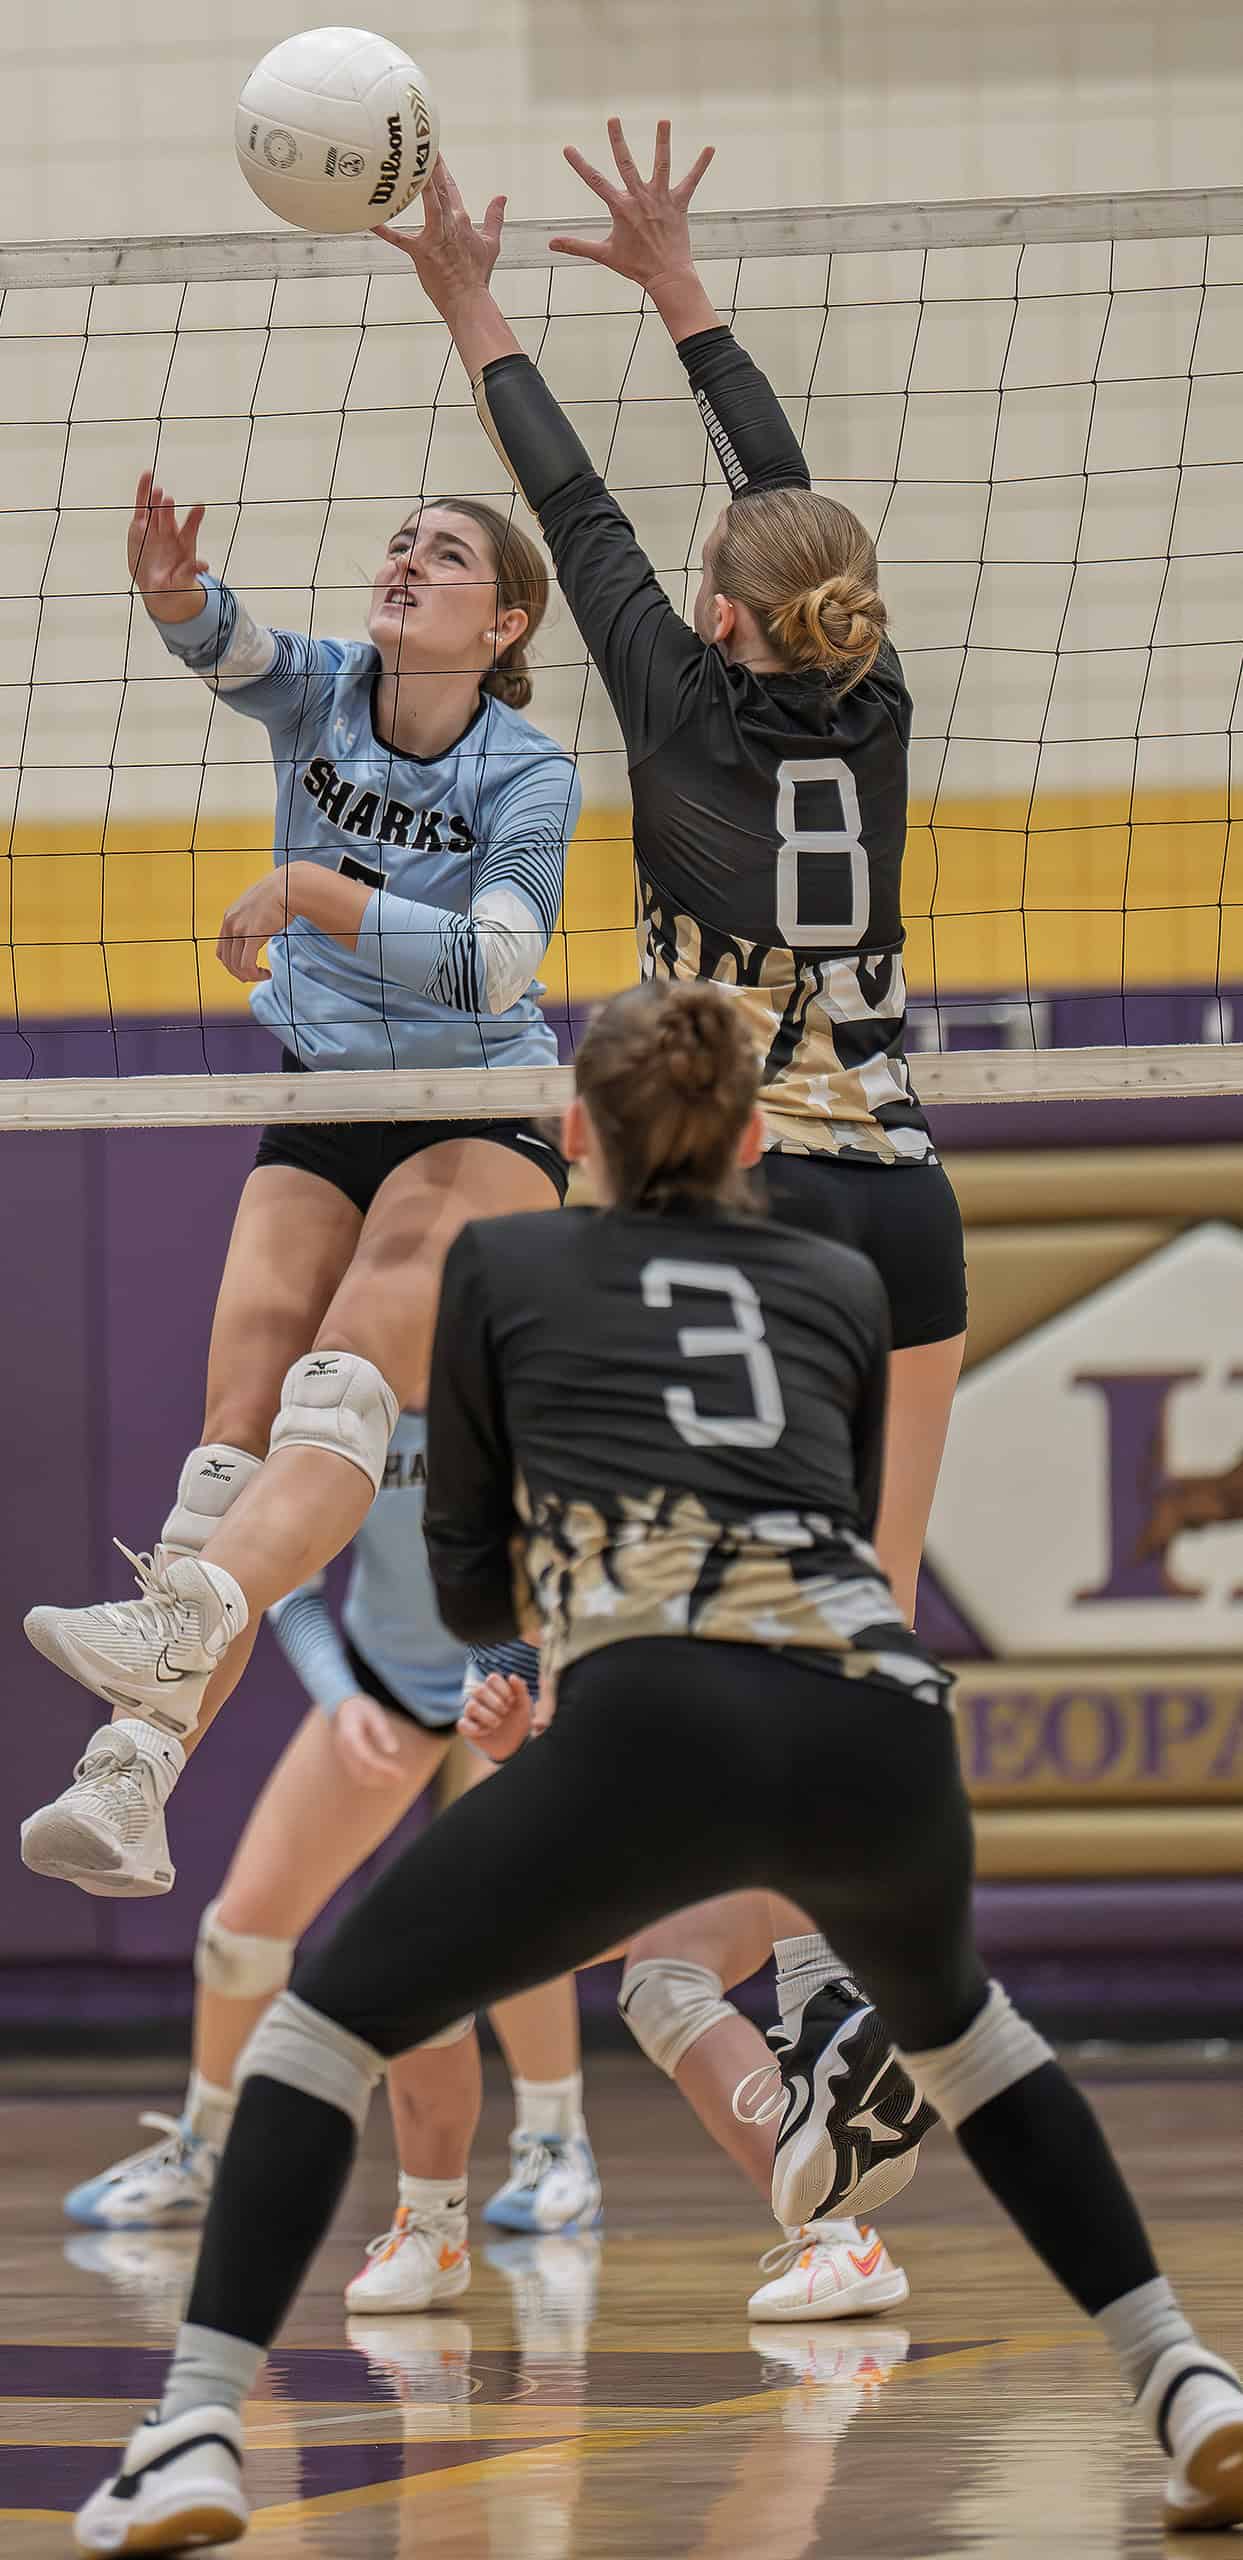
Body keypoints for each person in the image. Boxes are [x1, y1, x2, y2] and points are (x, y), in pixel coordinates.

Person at [75, 981, 1243, 2554]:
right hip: (871, 1713)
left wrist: (521, 1675)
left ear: (573, 1139)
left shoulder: (508, 1255)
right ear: (755, 1136)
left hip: (665, 1710)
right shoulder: (832, 1277)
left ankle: (193, 2434)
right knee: (975, 2042)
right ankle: (1183, 2385)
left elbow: (476, 1577)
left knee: (316, 2027)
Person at [376, 130, 966, 2240]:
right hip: (918, 1210)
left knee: (724, 1639)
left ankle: (761, 1990)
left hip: (776, 1221)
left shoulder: (673, 694)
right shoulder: (872, 698)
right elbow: (771, 503)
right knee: (863, 1636)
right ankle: (826, 2019)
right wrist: (684, 293)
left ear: (714, 618)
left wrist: (476, 295)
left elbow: (578, 514)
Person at [20, 476, 579, 1897]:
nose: (406, 558)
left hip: (477, 1110)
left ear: (503, 618)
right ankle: (133, 1780)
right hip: (325, 1100)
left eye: (444, 553)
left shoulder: (526, 772)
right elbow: (231, 649)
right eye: (399, 540)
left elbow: (496, 969)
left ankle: (172, 1655)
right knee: (229, 1438)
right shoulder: (327, 690)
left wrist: (316, 894)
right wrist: (166, 591)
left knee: (340, 1381)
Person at [62, 1411, 600, 2298]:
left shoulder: (509, 1367)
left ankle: (552, 2146)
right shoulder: (339, 1398)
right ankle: (204, 2145)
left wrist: (507, 1676)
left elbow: (561, 1557)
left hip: (506, 1679)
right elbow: (292, 1585)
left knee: (510, 1920)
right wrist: (341, 1697)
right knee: (244, 1927)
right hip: (381, 1683)